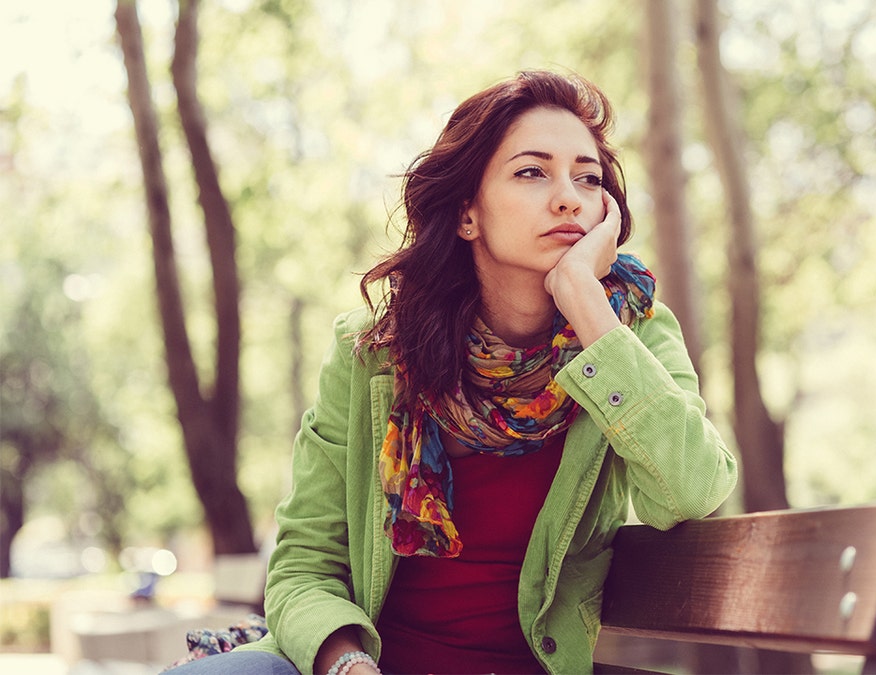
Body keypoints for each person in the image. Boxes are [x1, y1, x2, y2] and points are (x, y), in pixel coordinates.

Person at [172, 70, 737, 675]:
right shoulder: (376, 355)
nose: (569, 195)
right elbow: (305, 566)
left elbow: (693, 491)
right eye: (531, 171)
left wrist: (585, 299)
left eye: (588, 177)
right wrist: (349, 667)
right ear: (468, 213)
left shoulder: (630, 335)